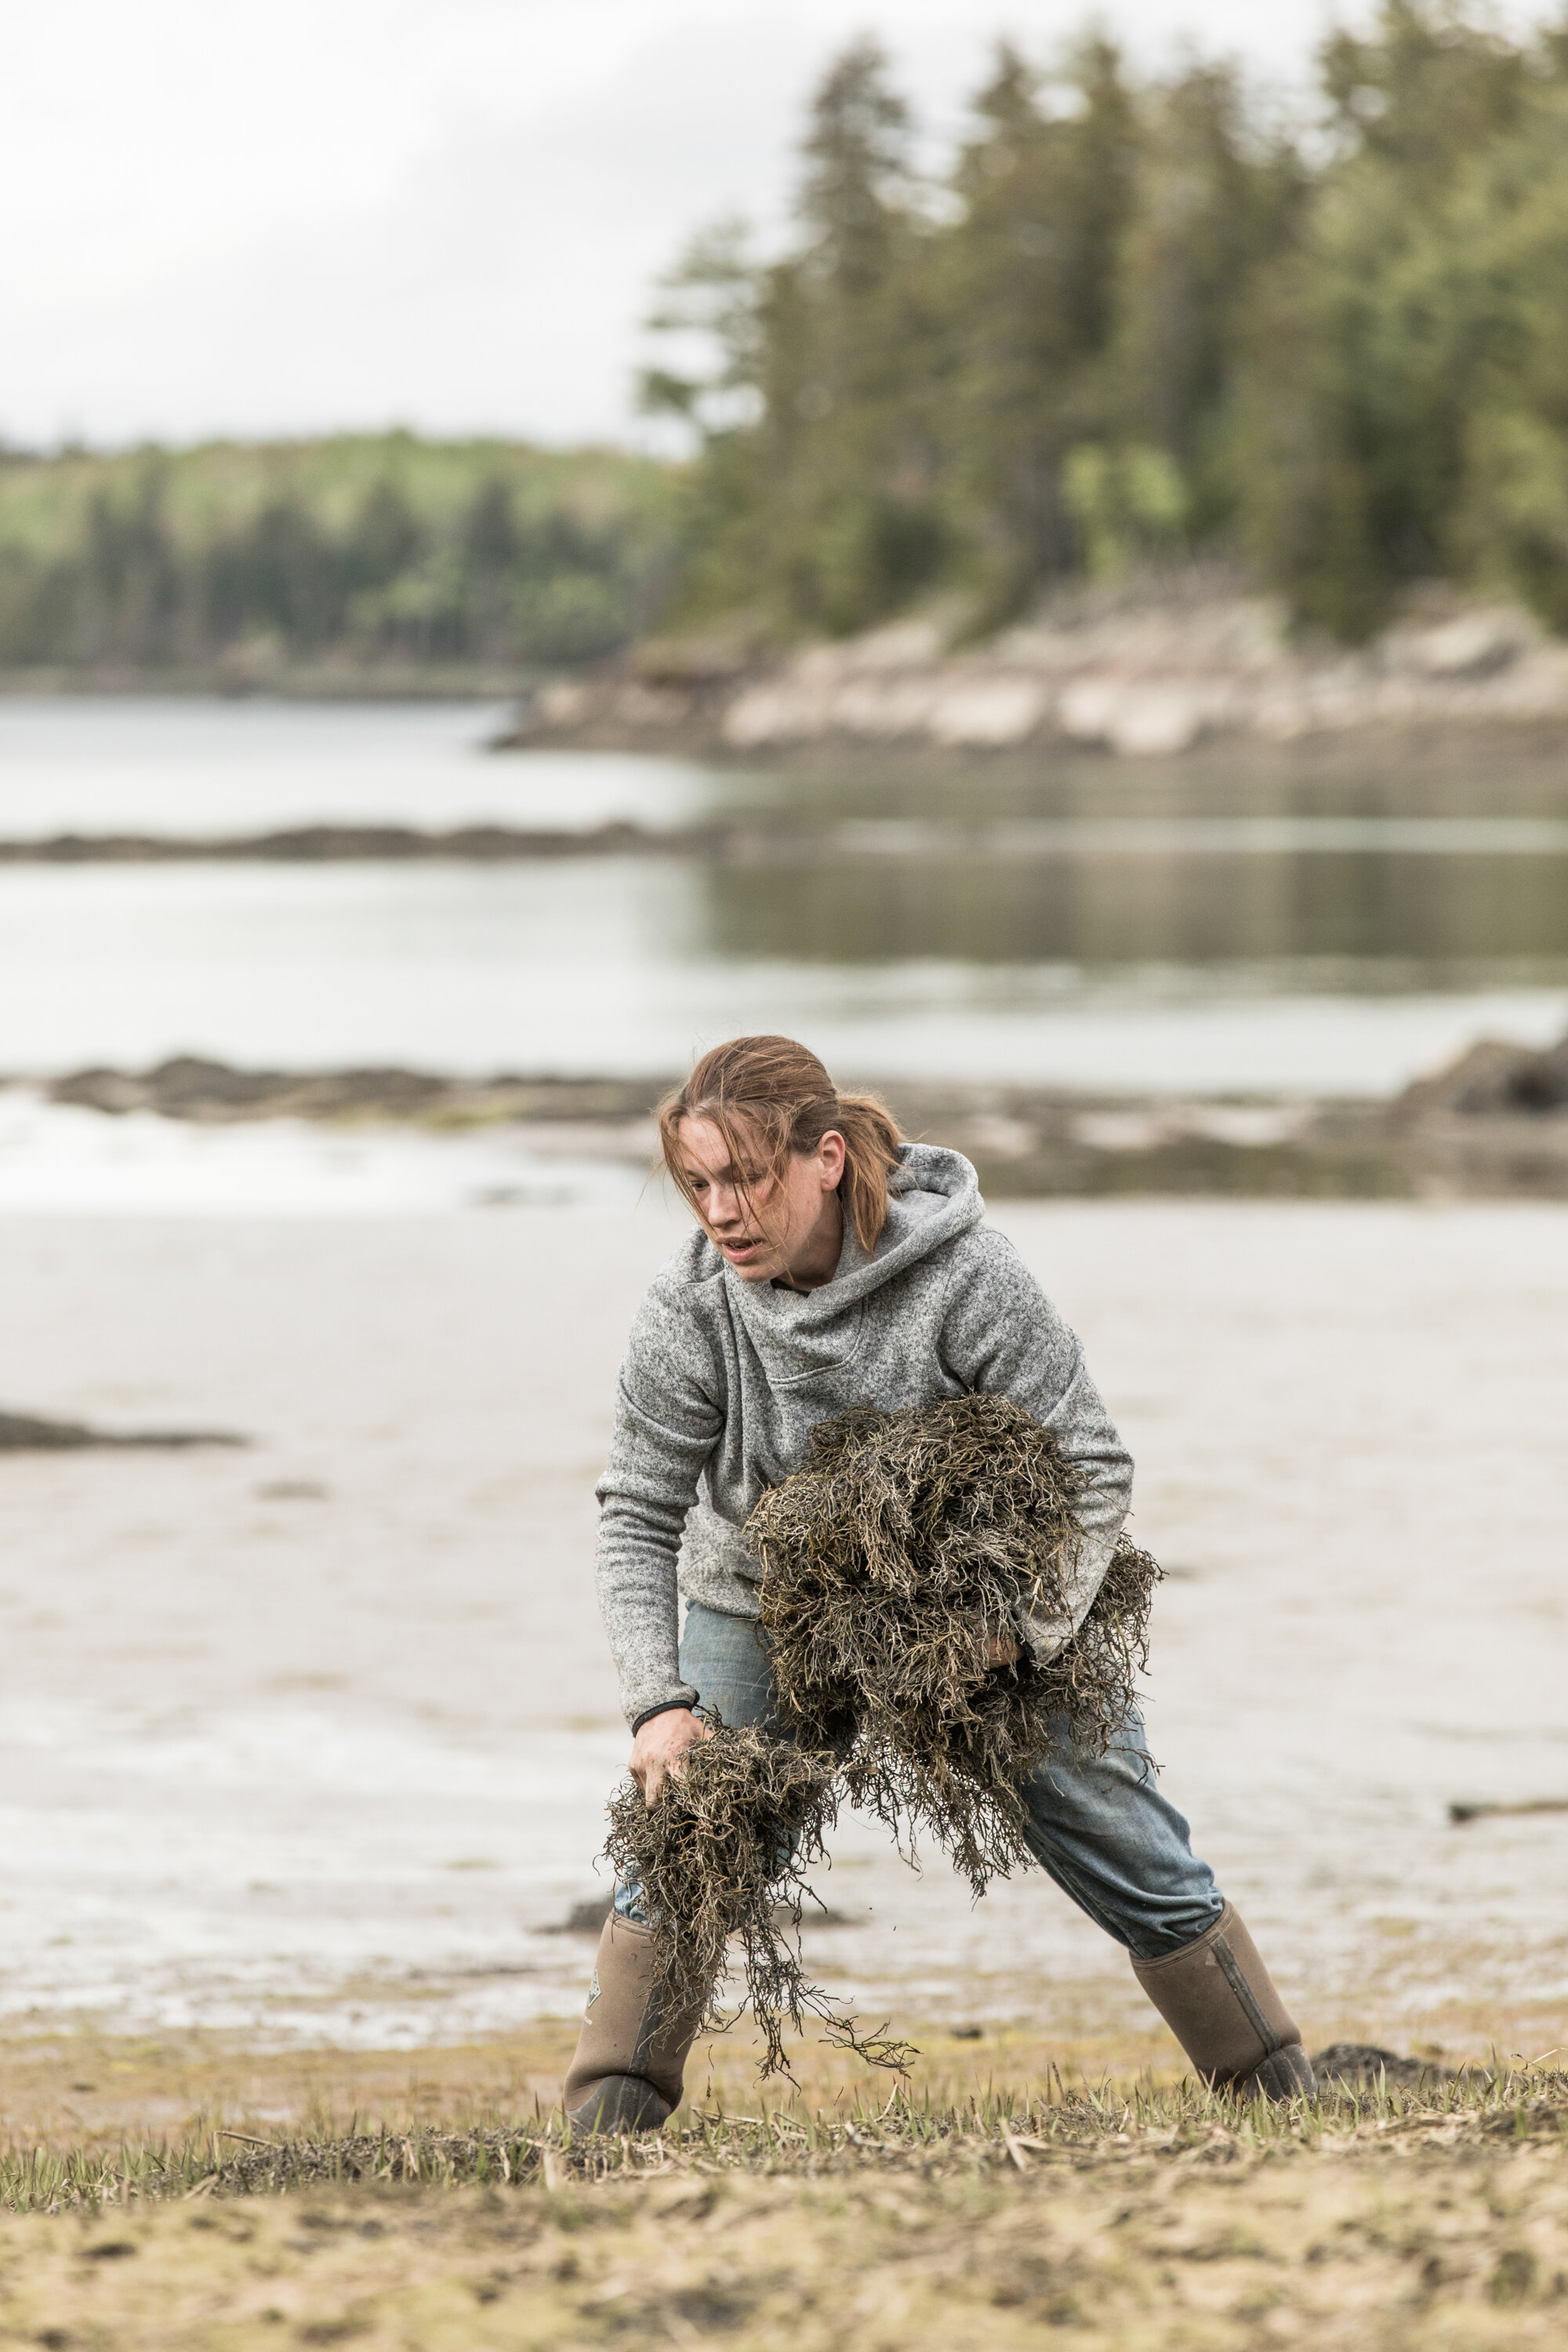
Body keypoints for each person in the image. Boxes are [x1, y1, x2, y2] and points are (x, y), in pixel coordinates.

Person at [562, 1035, 1314, 2131]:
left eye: (746, 1177)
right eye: (698, 1182)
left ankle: (1280, 2095)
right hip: (755, 1600)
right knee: (687, 1844)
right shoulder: (690, 1309)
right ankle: (601, 2136)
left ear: (826, 1158)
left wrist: (1019, 1628)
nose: (720, 1210)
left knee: (1124, 1836)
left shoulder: (968, 1276)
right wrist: (660, 1704)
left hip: (971, 1611)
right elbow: (636, 1509)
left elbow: (1093, 1466)